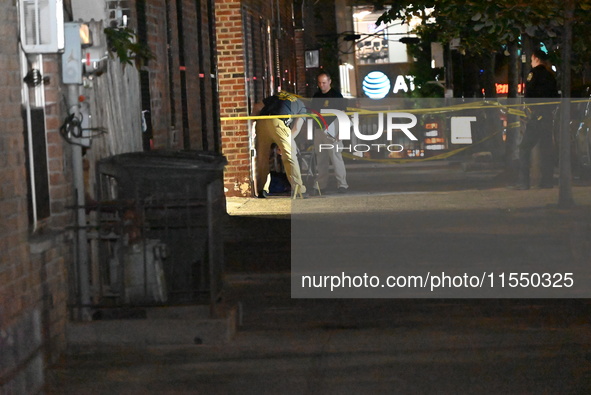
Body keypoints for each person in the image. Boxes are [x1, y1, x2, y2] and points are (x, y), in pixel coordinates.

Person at [511, 49, 559, 190]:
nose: (531, 62)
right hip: (547, 117)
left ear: (536, 59)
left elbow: (529, 95)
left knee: (524, 148)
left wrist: (529, 112)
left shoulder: (534, 74)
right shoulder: (550, 76)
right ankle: (547, 181)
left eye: (532, 60)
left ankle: (524, 181)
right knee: (546, 149)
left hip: (536, 117)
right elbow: (555, 97)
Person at [255, 91, 307, 198]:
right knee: (289, 155)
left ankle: (262, 189)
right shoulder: (302, 106)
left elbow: (257, 106)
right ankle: (299, 189)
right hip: (278, 122)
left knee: (262, 158)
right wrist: (283, 144)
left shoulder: (277, 96)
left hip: (261, 122)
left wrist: (251, 124)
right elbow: (296, 128)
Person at [311, 71, 349, 195]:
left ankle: (342, 184)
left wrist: (340, 132)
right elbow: (313, 114)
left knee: (336, 157)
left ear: (329, 82)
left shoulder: (336, 96)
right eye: (320, 83)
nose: (322, 85)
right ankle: (321, 185)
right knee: (321, 159)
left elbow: (343, 114)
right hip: (319, 130)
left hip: (333, 129)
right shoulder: (316, 96)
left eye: (324, 82)